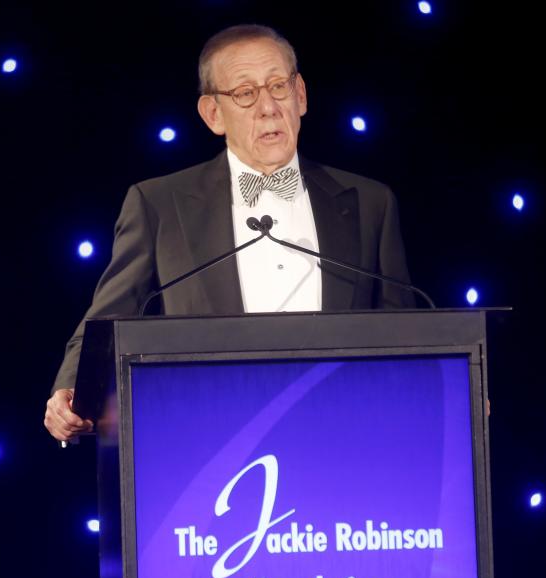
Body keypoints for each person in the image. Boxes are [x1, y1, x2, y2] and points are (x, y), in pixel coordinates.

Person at [44, 24, 415, 443]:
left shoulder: (370, 202)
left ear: (302, 96)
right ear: (213, 114)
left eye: (278, 86)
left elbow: (402, 331)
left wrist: (454, 392)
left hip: (340, 436)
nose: (268, 108)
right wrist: (71, 391)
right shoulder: (159, 204)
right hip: (209, 444)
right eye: (245, 94)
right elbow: (107, 318)